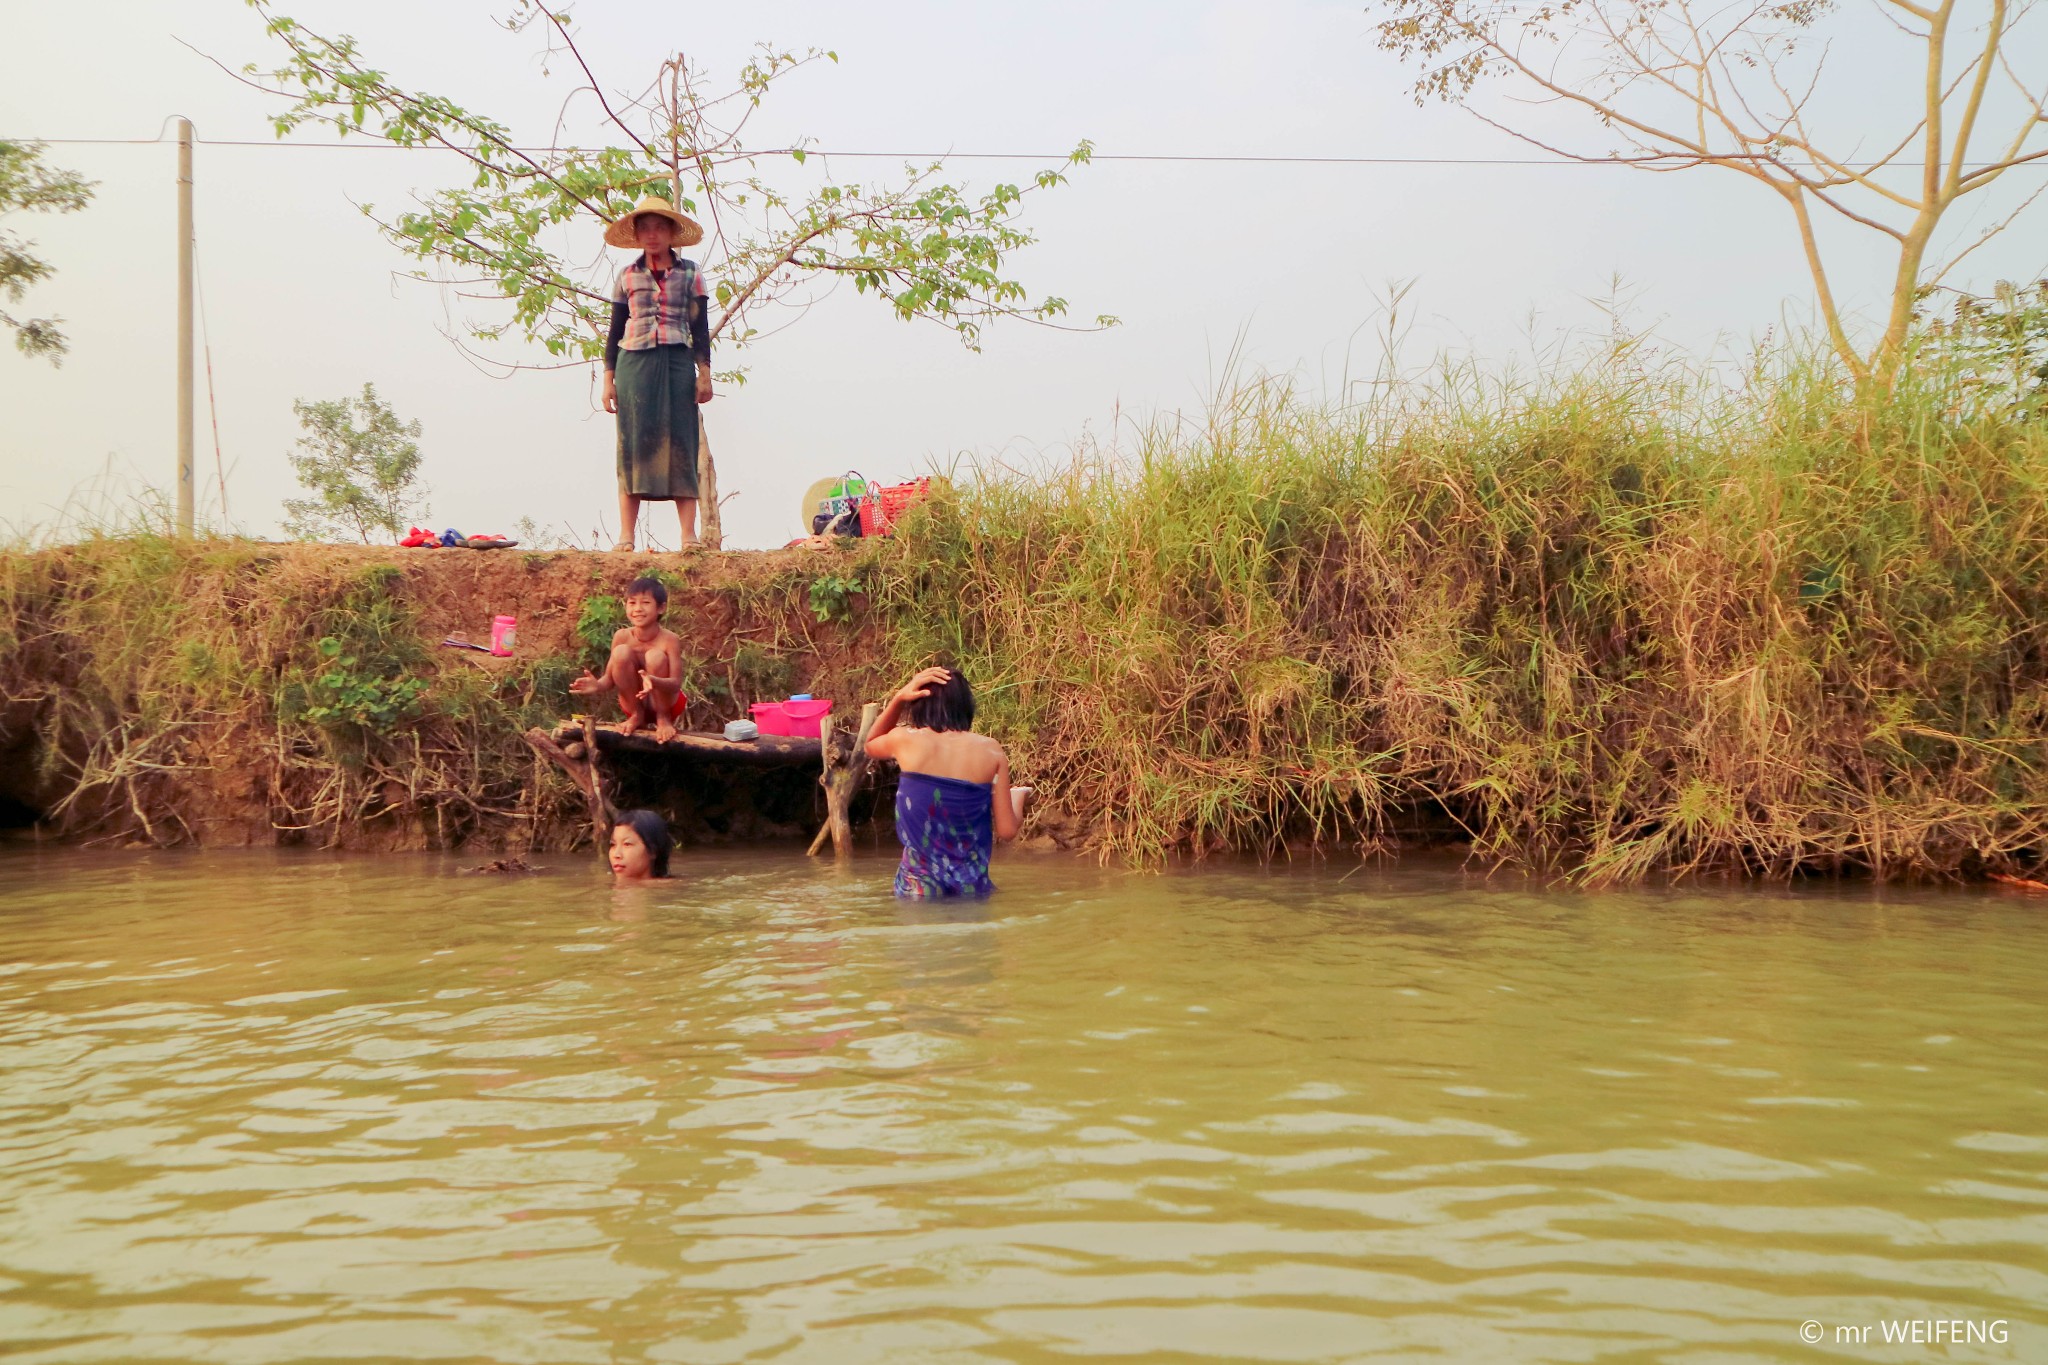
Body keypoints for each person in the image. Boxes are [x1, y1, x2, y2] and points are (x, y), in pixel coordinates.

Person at [601, 195, 713, 553]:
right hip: (634, 363)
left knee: (682, 441)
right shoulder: (627, 276)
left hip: (678, 361)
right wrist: (608, 380)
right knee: (631, 445)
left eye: (659, 228)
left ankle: (688, 536)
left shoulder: (691, 274)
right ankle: (626, 536)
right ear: (637, 235)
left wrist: (704, 372)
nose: (652, 235)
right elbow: (615, 329)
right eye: (645, 228)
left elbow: (701, 328)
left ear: (671, 233)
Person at [864, 666, 1032, 899]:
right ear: (966, 707)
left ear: (918, 703)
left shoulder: (904, 739)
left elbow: (870, 743)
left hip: (918, 887)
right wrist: (1018, 797)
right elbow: (1007, 831)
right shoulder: (991, 750)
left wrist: (899, 698)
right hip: (971, 887)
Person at [570, 576, 686, 741]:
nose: (638, 609)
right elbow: (609, 679)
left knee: (655, 656)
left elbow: (676, 684)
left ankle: (663, 718)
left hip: (666, 703)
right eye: (632, 603)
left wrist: (653, 680)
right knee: (621, 652)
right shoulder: (621, 636)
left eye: (645, 603)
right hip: (633, 704)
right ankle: (637, 715)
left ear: (661, 608)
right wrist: (597, 686)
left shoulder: (670, 639)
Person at [608, 809, 674, 883]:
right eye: (613, 845)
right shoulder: (605, 884)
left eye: (627, 844)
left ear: (652, 851)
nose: (617, 855)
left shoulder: (668, 887)